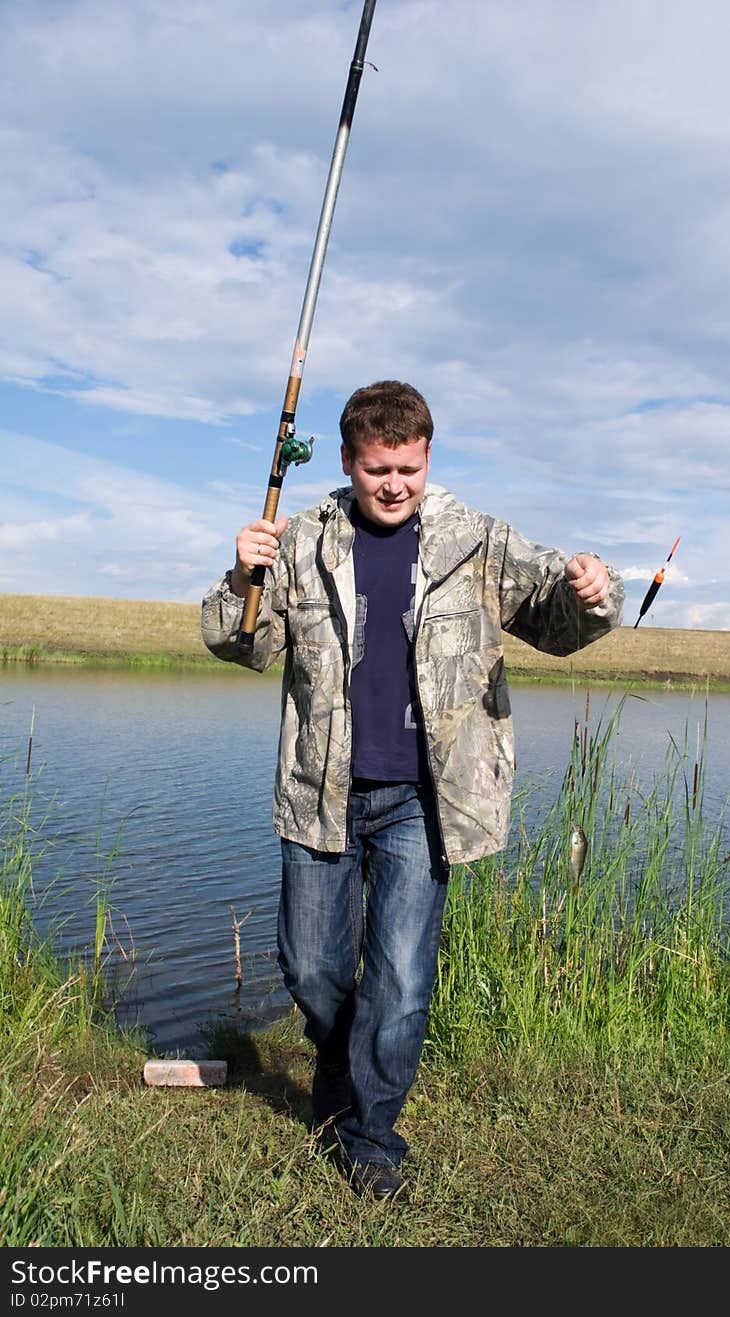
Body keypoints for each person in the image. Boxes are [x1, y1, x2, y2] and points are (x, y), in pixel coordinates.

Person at [201, 379, 624, 1201]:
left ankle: (371, 1137)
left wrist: (592, 593)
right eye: (375, 468)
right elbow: (242, 645)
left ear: (428, 457)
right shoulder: (303, 538)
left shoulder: (476, 538)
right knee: (312, 969)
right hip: (318, 791)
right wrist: (239, 573)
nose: (393, 484)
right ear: (351, 462)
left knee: (400, 977)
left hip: (425, 799)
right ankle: (343, 1056)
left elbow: (556, 622)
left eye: (408, 467)